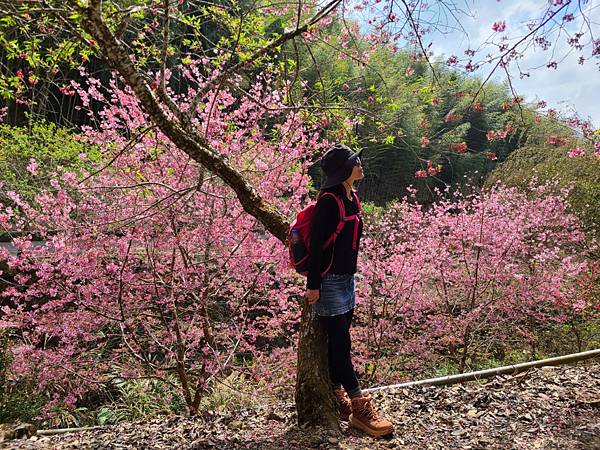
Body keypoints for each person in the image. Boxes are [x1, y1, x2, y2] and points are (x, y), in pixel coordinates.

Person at [306, 143, 394, 438]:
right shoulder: (329, 202)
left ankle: (335, 394)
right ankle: (359, 407)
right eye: (356, 162)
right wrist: (313, 285)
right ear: (346, 170)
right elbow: (317, 244)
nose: (360, 165)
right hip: (328, 281)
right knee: (341, 344)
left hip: (346, 279)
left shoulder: (351, 197)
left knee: (339, 343)